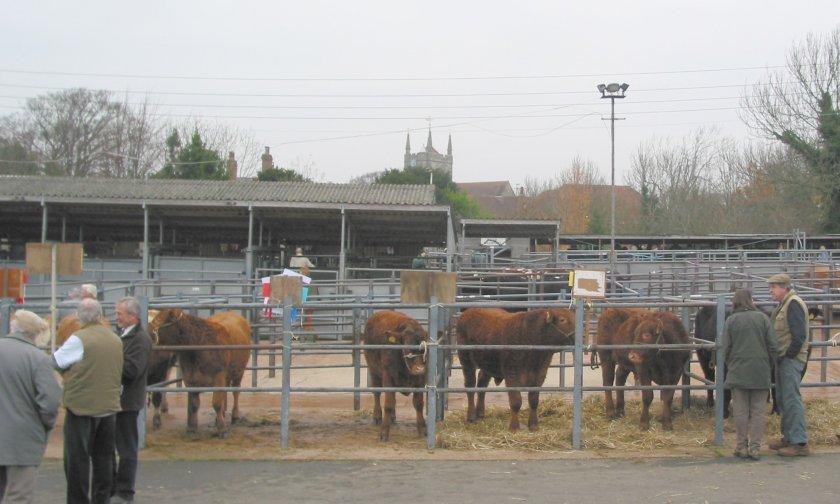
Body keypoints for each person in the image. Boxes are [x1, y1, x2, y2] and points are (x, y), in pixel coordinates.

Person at [53, 298, 124, 503]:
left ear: (78, 316)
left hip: (81, 407)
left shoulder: (79, 338)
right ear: (101, 315)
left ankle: (78, 500)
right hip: (109, 406)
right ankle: (101, 498)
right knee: (104, 459)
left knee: (77, 460)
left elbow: (56, 361)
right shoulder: (115, 339)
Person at [0, 310, 62, 504]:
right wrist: (44, 425)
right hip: (23, 438)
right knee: (19, 495)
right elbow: (50, 402)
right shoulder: (38, 359)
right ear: (35, 333)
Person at [722, 289, 777, 461]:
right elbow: (773, 345)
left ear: (735, 301)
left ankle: (741, 447)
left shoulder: (731, 320)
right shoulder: (763, 318)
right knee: (759, 412)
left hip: (738, 372)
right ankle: (755, 449)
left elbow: (725, 348)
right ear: (751, 300)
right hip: (760, 371)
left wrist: (729, 364)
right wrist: (770, 364)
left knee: (740, 411)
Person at [111, 297, 152, 503]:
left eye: (120, 313)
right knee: (109, 445)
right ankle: (113, 486)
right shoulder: (122, 336)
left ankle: (125, 490)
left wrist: (110, 360)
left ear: (132, 317)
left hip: (127, 401)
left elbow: (133, 370)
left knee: (126, 448)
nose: (116, 317)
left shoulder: (140, 340)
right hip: (116, 400)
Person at [766, 273, 811, 457]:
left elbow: (798, 335)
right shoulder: (785, 304)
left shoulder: (793, 304)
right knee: (784, 398)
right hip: (783, 358)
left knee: (791, 399)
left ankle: (799, 442)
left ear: (784, 287)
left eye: (774, 287)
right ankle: (788, 437)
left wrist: (789, 355)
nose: (771, 290)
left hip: (790, 359)